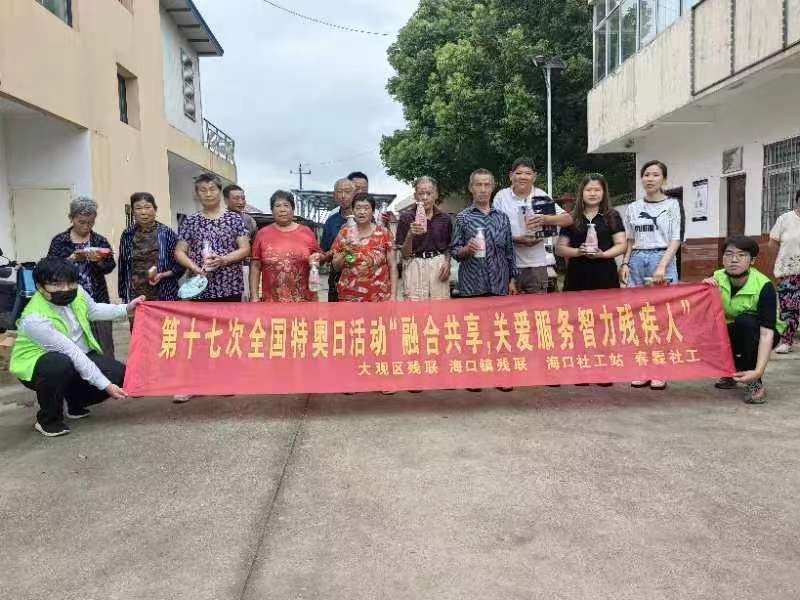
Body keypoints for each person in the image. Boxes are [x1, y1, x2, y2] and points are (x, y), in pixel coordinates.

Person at [9, 257, 143, 437]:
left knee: (119, 374)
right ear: (40, 287)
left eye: (70, 283)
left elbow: (94, 310)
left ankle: (74, 402)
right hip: (40, 367)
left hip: (77, 355)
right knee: (59, 365)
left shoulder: (78, 292)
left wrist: (126, 309)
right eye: (56, 284)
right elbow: (71, 352)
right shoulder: (34, 318)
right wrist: (105, 385)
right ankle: (48, 419)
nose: (66, 289)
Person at [619, 160, 682, 391]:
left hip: (661, 257)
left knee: (662, 317)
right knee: (639, 317)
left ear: (664, 179)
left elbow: (676, 238)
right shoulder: (633, 207)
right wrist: (625, 263)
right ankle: (642, 368)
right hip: (637, 259)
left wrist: (662, 266)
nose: (650, 179)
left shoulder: (673, 205)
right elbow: (630, 239)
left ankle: (660, 370)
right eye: (646, 174)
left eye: (655, 175)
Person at [703, 236, 785, 404]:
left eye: (741, 255)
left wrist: (759, 371)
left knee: (745, 322)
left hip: (762, 333)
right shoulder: (716, 278)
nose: (734, 259)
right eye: (729, 254)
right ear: (722, 258)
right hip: (730, 331)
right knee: (708, 331)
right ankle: (731, 372)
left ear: (752, 260)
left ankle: (754, 382)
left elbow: (766, 333)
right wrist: (702, 288)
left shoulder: (764, 286)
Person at [47, 196, 117, 357]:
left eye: (90, 223)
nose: (86, 226)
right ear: (71, 218)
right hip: (68, 301)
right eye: (81, 222)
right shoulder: (59, 241)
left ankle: (106, 372)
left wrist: (98, 261)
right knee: (73, 346)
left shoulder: (100, 240)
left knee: (104, 345)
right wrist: (70, 259)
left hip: (97, 298)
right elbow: (50, 270)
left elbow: (110, 266)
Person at [493, 157, 573, 294]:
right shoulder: (502, 197)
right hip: (508, 265)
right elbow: (494, 230)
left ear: (534, 177)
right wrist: (516, 239)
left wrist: (546, 219)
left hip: (536, 265)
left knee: (537, 306)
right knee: (508, 306)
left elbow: (568, 219)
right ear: (511, 175)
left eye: (528, 173)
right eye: (518, 173)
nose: (523, 177)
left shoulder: (541, 196)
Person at [174, 173, 251, 302]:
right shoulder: (191, 221)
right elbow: (179, 252)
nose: (208, 194)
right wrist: (194, 268)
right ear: (197, 194)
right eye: (203, 190)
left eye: (212, 189)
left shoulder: (234, 219)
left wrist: (223, 260)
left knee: (230, 316)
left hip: (230, 287)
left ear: (219, 192)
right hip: (198, 287)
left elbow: (245, 249)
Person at [450, 169, 518, 298]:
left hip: (500, 284)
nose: (483, 189)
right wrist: (466, 249)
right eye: (478, 185)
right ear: (471, 188)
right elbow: (454, 250)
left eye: (487, 185)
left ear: (492, 187)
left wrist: (513, 280)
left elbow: (510, 251)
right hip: (472, 285)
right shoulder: (462, 218)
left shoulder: (502, 218)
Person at [556, 174, 627, 291]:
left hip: (606, 275)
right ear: (582, 192)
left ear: (604, 192)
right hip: (576, 276)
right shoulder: (571, 217)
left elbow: (622, 245)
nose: (593, 193)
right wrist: (578, 252)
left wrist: (603, 254)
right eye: (588, 190)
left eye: (597, 190)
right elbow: (560, 248)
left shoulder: (612, 216)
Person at [250, 190, 321, 303]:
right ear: (272, 210)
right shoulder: (262, 234)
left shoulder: (306, 232)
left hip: (304, 300)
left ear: (293, 209)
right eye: (277, 206)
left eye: (286, 205)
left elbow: (319, 256)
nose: (282, 209)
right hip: (272, 301)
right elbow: (255, 266)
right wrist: (254, 296)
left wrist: (317, 258)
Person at [118, 193, 184, 309]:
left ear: (155, 209)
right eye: (138, 208)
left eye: (147, 207)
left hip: (164, 296)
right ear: (133, 211)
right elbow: (123, 265)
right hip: (135, 298)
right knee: (137, 321)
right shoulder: (128, 234)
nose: (143, 212)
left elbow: (180, 265)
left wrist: (162, 275)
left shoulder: (166, 233)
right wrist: (124, 295)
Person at [331, 193, 397, 302]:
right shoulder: (344, 233)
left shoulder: (384, 233)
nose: (362, 212)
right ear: (353, 211)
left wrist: (393, 295)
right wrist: (345, 251)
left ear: (373, 211)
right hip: (349, 297)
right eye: (358, 208)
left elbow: (392, 266)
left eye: (366, 208)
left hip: (379, 297)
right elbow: (336, 266)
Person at [395, 176, 453, 300]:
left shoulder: (445, 218)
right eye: (421, 193)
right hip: (414, 264)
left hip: (438, 265)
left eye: (429, 193)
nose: (425, 197)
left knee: (441, 306)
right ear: (415, 196)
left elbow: (448, 246)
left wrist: (447, 263)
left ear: (436, 195)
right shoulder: (406, 218)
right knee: (415, 307)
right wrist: (410, 234)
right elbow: (404, 255)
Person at [768, 188, 800, 354]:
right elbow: (773, 243)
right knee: (788, 309)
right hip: (789, 272)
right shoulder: (785, 219)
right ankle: (786, 341)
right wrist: (781, 262)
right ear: (797, 200)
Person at [321, 178, 357, 302]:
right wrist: (331, 253)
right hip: (336, 278)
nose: (343, 196)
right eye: (339, 192)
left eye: (347, 192)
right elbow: (324, 252)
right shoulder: (331, 221)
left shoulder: (365, 219)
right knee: (336, 313)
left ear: (354, 194)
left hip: (361, 279)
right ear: (335, 195)